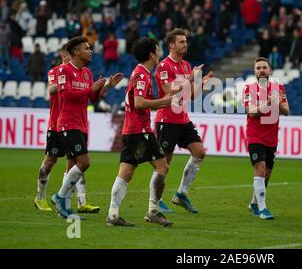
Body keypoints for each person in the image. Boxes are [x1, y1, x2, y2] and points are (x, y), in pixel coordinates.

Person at [51, 36, 123, 219]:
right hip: (67, 122)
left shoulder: (87, 73)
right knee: (84, 162)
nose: (90, 51)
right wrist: (91, 88)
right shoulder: (64, 71)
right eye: (86, 48)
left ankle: (65, 209)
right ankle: (60, 197)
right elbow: (66, 95)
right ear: (76, 52)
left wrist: (106, 87)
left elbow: (92, 99)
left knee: (72, 164)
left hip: (81, 124)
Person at [106, 38, 176, 227]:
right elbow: (139, 102)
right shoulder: (142, 75)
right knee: (162, 167)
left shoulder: (139, 73)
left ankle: (113, 215)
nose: (160, 54)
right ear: (152, 55)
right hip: (139, 130)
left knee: (126, 171)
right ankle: (153, 211)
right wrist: (164, 101)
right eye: (158, 50)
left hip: (130, 130)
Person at [34, 44, 100, 214]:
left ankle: (79, 201)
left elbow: (91, 95)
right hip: (56, 123)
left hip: (75, 122)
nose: (70, 59)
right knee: (51, 160)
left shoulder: (82, 72)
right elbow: (52, 89)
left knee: (76, 161)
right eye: (67, 56)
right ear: (64, 55)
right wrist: (67, 85)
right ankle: (40, 197)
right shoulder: (56, 72)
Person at [154, 28, 213, 214]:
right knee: (164, 163)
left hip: (182, 119)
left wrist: (201, 82)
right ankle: (155, 200)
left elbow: (193, 95)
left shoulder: (187, 65)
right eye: (181, 42)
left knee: (200, 152)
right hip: (167, 119)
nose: (185, 44)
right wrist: (190, 78)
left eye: (186, 41)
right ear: (171, 45)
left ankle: (181, 194)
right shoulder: (164, 66)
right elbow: (168, 89)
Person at [243, 57, 289, 220]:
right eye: (258, 68)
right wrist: (269, 102)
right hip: (255, 136)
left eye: (264, 67)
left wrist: (279, 104)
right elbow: (252, 112)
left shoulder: (279, 88)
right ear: (254, 72)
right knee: (260, 169)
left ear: (269, 70)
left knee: (267, 175)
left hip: (271, 138)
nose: (261, 70)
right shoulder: (249, 89)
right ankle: (263, 208)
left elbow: (286, 111)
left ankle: (254, 203)